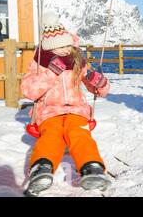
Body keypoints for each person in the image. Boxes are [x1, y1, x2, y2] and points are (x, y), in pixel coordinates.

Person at [20, 11, 111, 197]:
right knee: (51, 135)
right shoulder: (40, 65)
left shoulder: (79, 63)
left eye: (66, 45)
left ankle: (91, 167)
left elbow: (100, 91)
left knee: (78, 132)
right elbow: (29, 90)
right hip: (49, 112)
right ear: (48, 49)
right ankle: (41, 168)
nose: (64, 50)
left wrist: (99, 82)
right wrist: (52, 72)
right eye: (58, 47)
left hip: (77, 111)